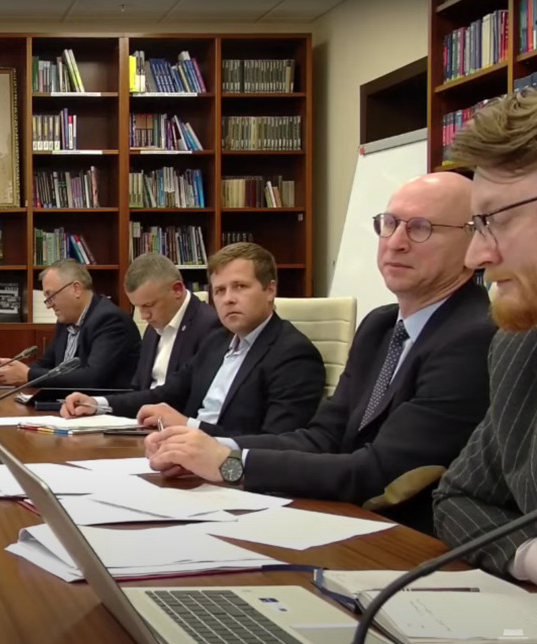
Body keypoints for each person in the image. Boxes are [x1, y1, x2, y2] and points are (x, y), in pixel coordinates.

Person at [137, 174, 493, 533]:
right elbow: (322, 438)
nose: (396, 242)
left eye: (420, 228)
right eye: (389, 224)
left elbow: (379, 472)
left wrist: (230, 464)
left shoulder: (473, 337)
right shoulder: (380, 325)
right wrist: (203, 449)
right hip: (342, 515)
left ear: (474, 241)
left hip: (405, 536)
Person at [62, 242, 324, 438]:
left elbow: (276, 443)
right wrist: (98, 404)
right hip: (181, 454)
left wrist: (189, 427)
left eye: (240, 287)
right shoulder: (217, 342)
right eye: (219, 290)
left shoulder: (293, 354)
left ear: (270, 290)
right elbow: (167, 394)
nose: (228, 299)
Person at [432, 91, 537, 579]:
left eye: (494, 220)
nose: (475, 256)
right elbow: (457, 498)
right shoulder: (518, 347)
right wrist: (528, 556)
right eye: (476, 225)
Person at [0, 259, 139, 389]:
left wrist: (28, 375)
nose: (49, 305)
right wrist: (9, 370)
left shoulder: (109, 320)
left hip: (102, 409)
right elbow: (47, 364)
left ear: (76, 289)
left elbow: (92, 378)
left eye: (51, 296)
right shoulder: (66, 321)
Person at [124, 253, 221, 390]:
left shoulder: (210, 326)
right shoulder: (153, 328)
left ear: (177, 290)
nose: (144, 316)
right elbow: (139, 385)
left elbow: (193, 392)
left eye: (148, 305)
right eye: (138, 307)